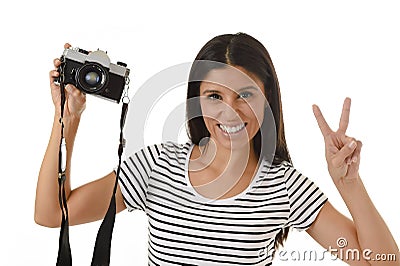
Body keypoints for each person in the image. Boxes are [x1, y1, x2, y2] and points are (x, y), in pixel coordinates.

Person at [35, 33, 399, 265]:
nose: (230, 111)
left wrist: (348, 183)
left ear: (267, 100)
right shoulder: (157, 166)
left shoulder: (284, 187)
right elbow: (52, 214)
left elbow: (383, 262)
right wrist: (66, 119)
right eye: (214, 96)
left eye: (246, 95)